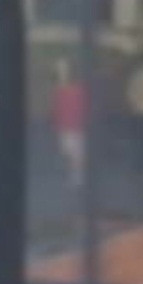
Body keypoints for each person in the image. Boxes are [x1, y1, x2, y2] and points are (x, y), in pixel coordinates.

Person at [52, 59, 87, 188]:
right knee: (73, 152)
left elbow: (57, 110)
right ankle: (76, 175)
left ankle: (77, 176)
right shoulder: (74, 90)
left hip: (71, 125)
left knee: (74, 152)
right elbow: (57, 110)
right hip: (73, 125)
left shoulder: (63, 91)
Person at [125, 58, 143, 172]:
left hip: (138, 111)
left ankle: (138, 164)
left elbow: (130, 94)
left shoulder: (136, 77)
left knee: (138, 139)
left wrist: (133, 106)